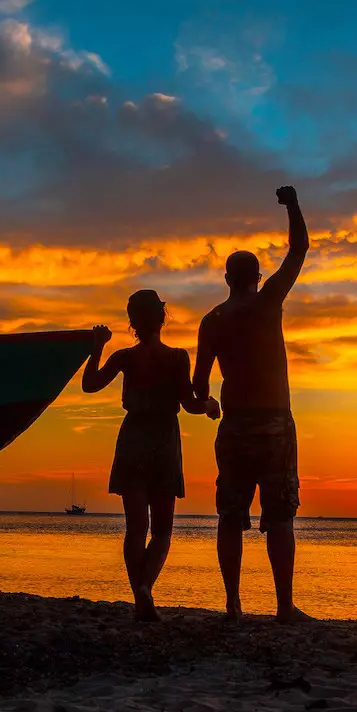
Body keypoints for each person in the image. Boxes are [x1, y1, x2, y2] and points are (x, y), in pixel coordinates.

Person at [193, 185, 311, 623]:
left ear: (227, 279)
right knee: (279, 518)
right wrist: (292, 204)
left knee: (230, 516)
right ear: (257, 277)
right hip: (275, 426)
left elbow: (198, 389)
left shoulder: (213, 321)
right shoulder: (268, 303)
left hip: (235, 427)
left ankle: (233, 605)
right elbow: (299, 249)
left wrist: (208, 407)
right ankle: (283, 606)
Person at [82, 290, 220, 621]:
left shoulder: (124, 357)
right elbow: (188, 404)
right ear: (162, 318)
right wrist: (210, 406)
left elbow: (89, 385)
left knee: (135, 528)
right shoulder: (176, 357)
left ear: (132, 323)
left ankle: (140, 594)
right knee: (161, 530)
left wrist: (98, 346)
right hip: (163, 440)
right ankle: (144, 588)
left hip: (133, 439)